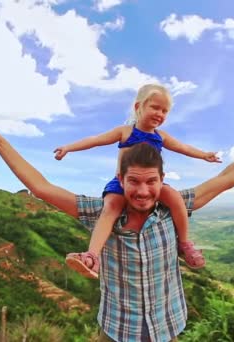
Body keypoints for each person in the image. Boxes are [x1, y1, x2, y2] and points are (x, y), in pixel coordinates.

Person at [0, 111, 234, 342]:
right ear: (120, 180)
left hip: (167, 327)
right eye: (133, 182)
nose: (142, 191)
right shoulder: (101, 212)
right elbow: (41, 187)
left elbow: (230, 177)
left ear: (162, 180)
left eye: (151, 182)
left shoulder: (172, 208)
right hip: (116, 331)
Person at [53, 84, 221, 279]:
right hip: (122, 185)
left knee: (175, 197)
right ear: (138, 107)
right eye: (155, 107)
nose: (160, 113)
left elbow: (182, 147)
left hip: (150, 186)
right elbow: (96, 139)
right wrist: (68, 148)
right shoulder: (125, 132)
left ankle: (184, 244)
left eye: (165, 111)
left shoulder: (161, 136)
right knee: (110, 209)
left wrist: (204, 155)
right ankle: (92, 257)